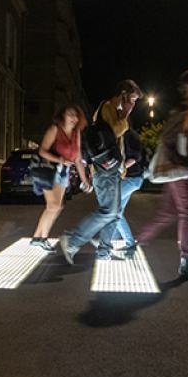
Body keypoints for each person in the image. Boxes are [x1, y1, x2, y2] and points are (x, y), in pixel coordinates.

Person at [137, 67, 188, 280]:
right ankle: (186, 261)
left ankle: (134, 243)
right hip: (180, 170)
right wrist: (183, 167)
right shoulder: (185, 112)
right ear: (187, 87)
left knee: (168, 214)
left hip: (182, 169)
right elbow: (167, 140)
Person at [59, 79, 142, 264]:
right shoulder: (107, 107)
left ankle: (103, 251)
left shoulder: (114, 110)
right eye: (133, 99)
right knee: (109, 212)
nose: (133, 104)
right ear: (123, 94)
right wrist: (126, 115)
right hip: (104, 171)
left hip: (112, 170)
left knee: (114, 213)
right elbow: (114, 131)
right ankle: (73, 240)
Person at [30, 104, 91, 250]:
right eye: (70, 114)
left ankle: (38, 238)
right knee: (53, 205)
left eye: (76, 115)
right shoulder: (55, 129)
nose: (74, 118)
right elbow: (42, 151)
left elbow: (77, 158)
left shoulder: (77, 133)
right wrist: (60, 160)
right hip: (48, 170)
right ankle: (41, 238)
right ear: (62, 115)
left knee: (58, 207)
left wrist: (85, 180)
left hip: (64, 172)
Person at [114, 128, 146, 254]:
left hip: (132, 178)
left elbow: (136, 157)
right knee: (117, 210)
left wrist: (121, 168)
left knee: (114, 210)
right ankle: (112, 239)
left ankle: (128, 242)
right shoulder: (119, 136)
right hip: (128, 179)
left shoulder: (130, 135)